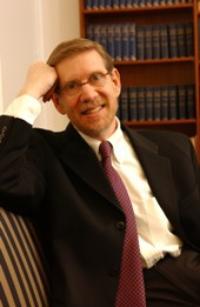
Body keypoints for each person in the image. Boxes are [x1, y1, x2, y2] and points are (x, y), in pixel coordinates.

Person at [0, 38, 200, 307]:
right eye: (72, 86)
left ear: (115, 81)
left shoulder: (173, 147)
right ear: (57, 101)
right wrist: (30, 90)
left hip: (187, 271)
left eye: (96, 78)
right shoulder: (45, 153)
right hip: (112, 293)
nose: (89, 94)